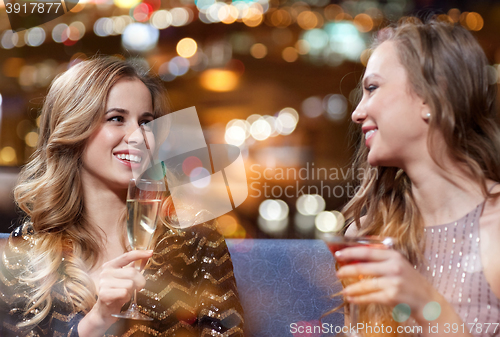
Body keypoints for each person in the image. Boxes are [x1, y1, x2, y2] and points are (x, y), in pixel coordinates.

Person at [0, 56, 244, 336]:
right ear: (73, 128)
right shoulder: (27, 249)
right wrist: (96, 321)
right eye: (116, 119)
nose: (138, 137)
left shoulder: (192, 235)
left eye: (146, 122)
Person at [336, 18, 500, 336]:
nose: (357, 112)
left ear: (430, 97)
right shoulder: (367, 232)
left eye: (372, 88)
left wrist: (426, 305)